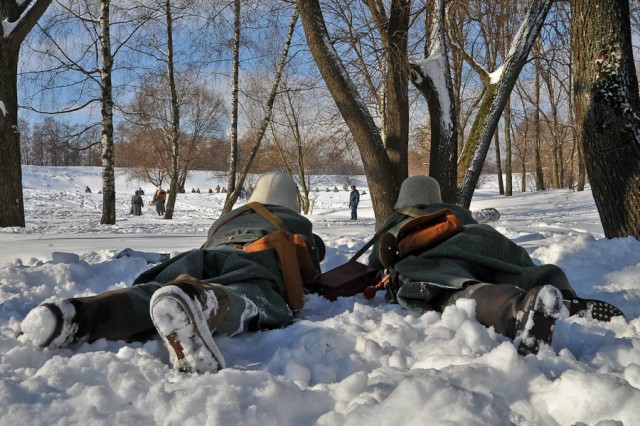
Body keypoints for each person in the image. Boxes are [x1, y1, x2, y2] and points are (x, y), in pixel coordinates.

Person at [18, 171, 325, 375]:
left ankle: (75, 315)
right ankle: (201, 303)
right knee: (246, 299)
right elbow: (312, 262)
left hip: (200, 257)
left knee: (154, 293)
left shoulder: (228, 217)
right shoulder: (294, 221)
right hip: (252, 266)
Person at [368, 175, 624, 355]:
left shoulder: (398, 220)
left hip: (435, 256)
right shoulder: (453, 212)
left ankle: (517, 308)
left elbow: (375, 263)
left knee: (454, 288)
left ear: (404, 198)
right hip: (485, 243)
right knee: (521, 271)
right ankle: (562, 296)